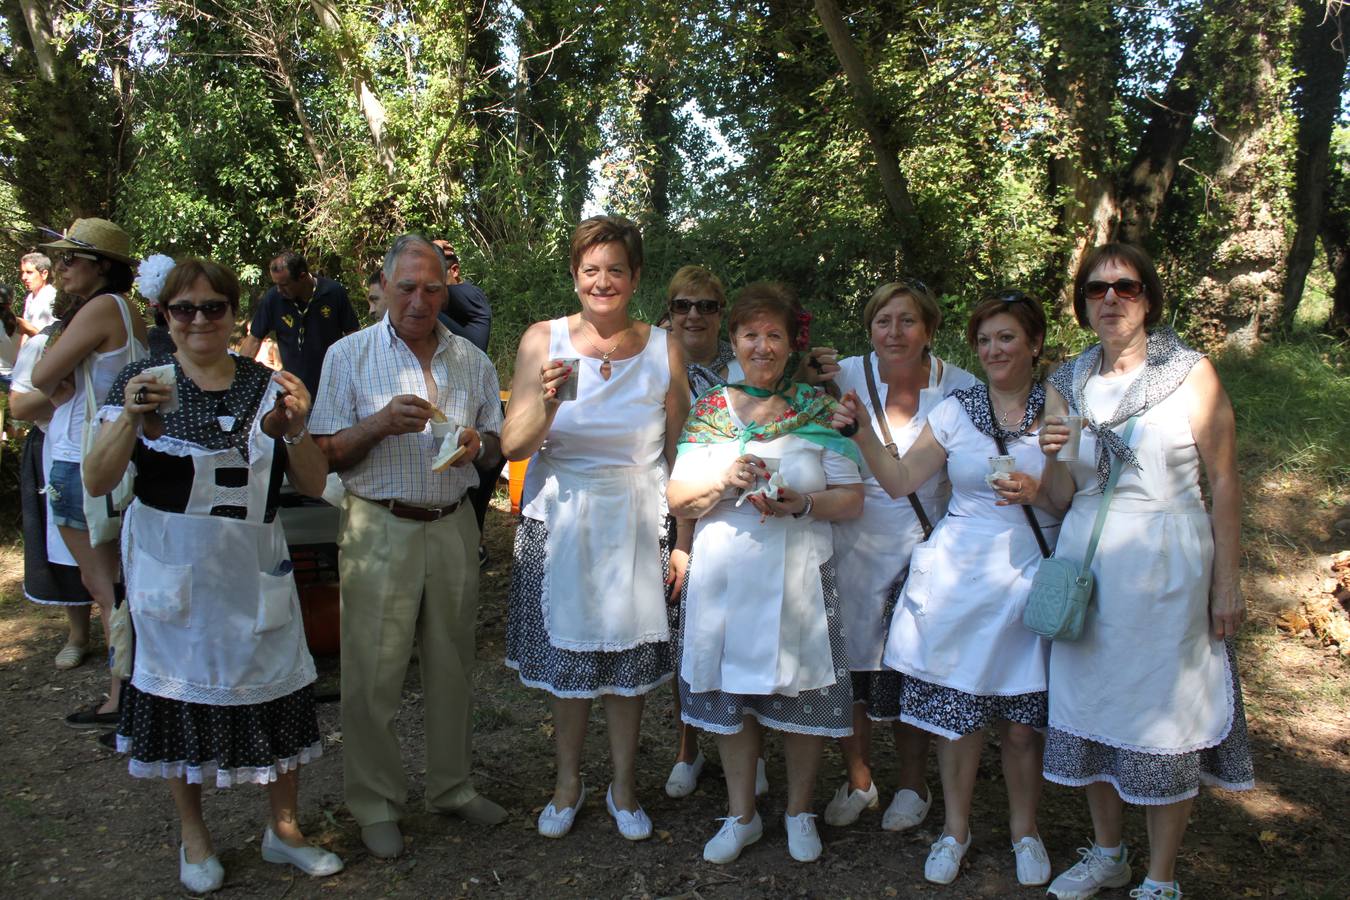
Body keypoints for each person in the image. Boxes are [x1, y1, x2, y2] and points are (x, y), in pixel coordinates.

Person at [84, 257, 341, 893]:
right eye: (184, 309)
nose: (200, 319)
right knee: (176, 695)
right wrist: (127, 418)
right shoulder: (143, 385)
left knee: (278, 689)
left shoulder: (268, 385)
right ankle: (193, 840)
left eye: (214, 307)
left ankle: (284, 834)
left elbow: (312, 484)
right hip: (176, 571)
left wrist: (296, 428)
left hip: (253, 564)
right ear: (165, 318)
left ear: (234, 313)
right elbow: (96, 479)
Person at [1038, 244, 1254, 900]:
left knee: (1163, 716)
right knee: (1096, 708)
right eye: (1097, 289)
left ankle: (1161, 878)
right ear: (1082, 304)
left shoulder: (1191, 375)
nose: (1110, 299)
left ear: (1148, 298)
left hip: (1170, 571)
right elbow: (1056, 497)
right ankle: (1109, 854)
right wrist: (1050, 457)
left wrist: (1228, 582)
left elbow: (1223, 484)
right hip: (1089, 571)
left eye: (1125, 287)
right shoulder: (1066, 381)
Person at [834, 290, 1062, 887]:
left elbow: (1073, 495)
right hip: (961, 576)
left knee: (1019, 724)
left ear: (1034, 344)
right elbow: (903, 477)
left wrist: (1039, 493)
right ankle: (954, 831)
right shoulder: (957, 410)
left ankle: (1025, 832)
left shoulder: (1061, 407)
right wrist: (862, 435)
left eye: (1007, 338)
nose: (994, 350)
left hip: (1030, 573)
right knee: (958, 715)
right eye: (985, 339)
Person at [310, 234, 506, 860]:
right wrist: (378, 424)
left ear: (447, 288)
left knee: (453, 666)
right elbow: (322, 455)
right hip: (378, 525)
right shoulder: (347, 356)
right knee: (373, 672)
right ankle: (375, 802)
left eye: (432, 288)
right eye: (407, 288)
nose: (420, 300)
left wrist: (480, 445)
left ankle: (451, 786)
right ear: (386, 288)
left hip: (452, 523)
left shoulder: (471, 360)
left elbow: (498, 447)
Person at [501, 215, 689, 843]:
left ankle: (625, 785)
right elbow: (512, 442)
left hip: (637, 514)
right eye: (590, 270)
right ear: (574, 276)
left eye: (615, 270)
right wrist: (548, 403)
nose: (602, 281)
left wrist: (683, 539)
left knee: (627, 661)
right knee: (571, 659)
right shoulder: (542, 339)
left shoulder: (665, 347)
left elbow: (679, 450)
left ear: (635, 278)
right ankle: (567, 782)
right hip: (560, 514)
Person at [667, 282, 863, 864]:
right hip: (725, 574)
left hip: (798, 573)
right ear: (734, 342)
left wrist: (800, 504)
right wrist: (724, 480)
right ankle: (741, 815)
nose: (762, 345)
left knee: (801, 692)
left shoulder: (820, 409)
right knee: (732, 696)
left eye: (773, 335)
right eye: (750, 334)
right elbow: (678, 497)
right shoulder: (709, 410)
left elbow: (850, 499)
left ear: (789, 343)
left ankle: (800, 813)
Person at [823, 280, 979, 831]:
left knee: (912, 670)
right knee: (854, 674)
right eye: (883, 321)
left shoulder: (961, 388)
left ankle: (914, 786)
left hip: (927, 547)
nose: (895, 332)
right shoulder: (843, 375)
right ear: (869, 329)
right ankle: (860, 779)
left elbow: (972, 471)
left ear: (929, 329)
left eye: (907, 321)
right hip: (849, 541)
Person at [31, 218, 148, 724]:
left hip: (83, 459)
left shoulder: (101, 308)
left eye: (70, 259)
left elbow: (39, 377)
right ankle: (130, 691)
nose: (61, 268)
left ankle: (125, 697)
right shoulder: (129, 312)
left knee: (105, 586)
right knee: (114, 580)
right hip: (110, 453)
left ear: (100, 267)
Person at [659, 265, 766, 801]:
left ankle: (752, 750)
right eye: (683, 305)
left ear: (722, 316)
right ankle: (688, 747)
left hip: (731, 514)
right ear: (668, 312)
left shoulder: (742, 370)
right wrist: (681, 538)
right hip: (666, 511)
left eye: (706, 305)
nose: (694, 315)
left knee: (740, 636)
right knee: (685, 637)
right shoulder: (653, 363)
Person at [9, 317, 95, 653]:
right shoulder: (41, 345)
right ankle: (77, 634)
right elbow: (18, 406)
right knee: (64, 541)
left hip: (105, 445)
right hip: (54, 446)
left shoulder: (115, 341)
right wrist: (65, 394)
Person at [432, 240, 499, 567]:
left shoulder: (466, 294)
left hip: (477, 408)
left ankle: (473, 546)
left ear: (454, 270)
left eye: (435, 267)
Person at [238, 250, 359, 396]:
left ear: (302, 276)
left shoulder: (333, 292)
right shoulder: (273, 299)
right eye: (275, 284)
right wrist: (238, 379)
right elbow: (254, 340)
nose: (278, 289)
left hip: (334, 387)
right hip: (295, 392)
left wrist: (358, 377)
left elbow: (353, 336)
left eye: (284, 284)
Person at [432, 239, 492, 352]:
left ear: (454, 270)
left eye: (437, 272)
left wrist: (433, 249)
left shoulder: (470, 294)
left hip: (472, 362)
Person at [18, 251, 57, 338]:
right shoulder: (30, 297)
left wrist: (25, 326)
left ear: (44, 274)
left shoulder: (52, 297)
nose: (23, 277)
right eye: (22, 272)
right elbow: (25, 335)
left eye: (29, 272)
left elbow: (51, 340)